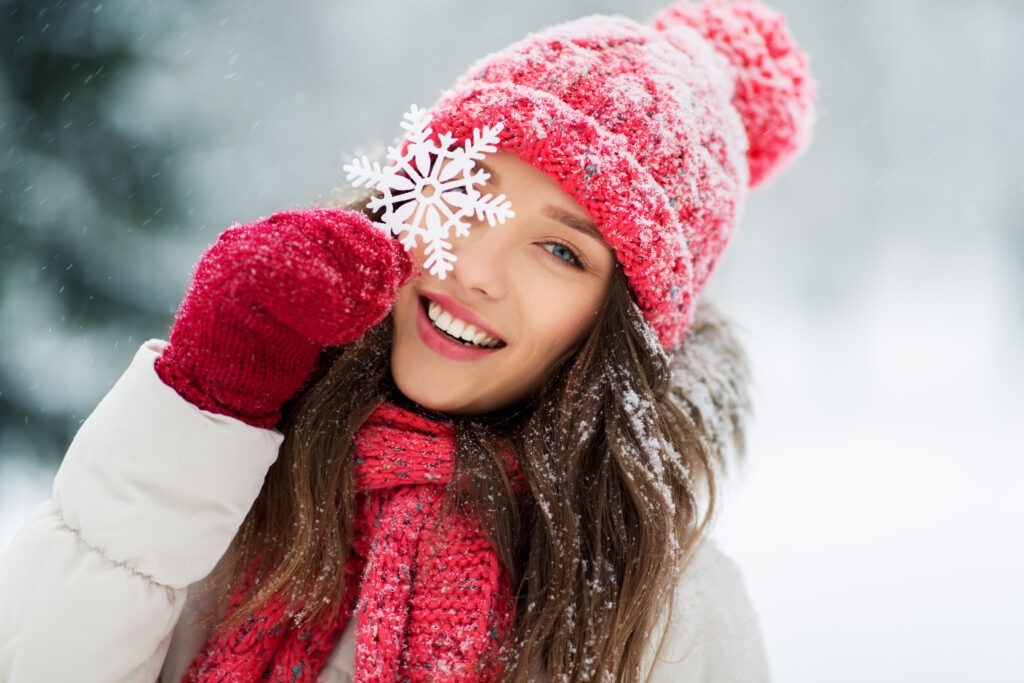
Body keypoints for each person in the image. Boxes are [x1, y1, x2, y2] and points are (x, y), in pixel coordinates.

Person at [0, 0, 815, 680]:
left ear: (623, 330)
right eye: (468, 190)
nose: (473, 268)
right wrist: (200, 408)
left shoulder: (664, 616)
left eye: (560, 251)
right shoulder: (242, 474)